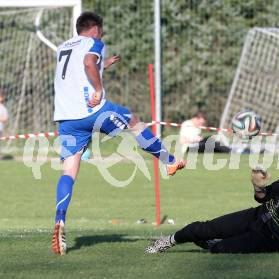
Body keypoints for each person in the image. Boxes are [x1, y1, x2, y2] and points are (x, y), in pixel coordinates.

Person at [51, 12, 185, 255]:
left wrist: (104, 65)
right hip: (92, 110)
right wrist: (99, 88)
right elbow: (88, 64)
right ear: (94, 29)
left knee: (69, 170)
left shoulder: (63, 47)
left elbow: (77, 71)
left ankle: (59, 219)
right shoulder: (94, 43)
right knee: (134, 122)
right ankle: (169, 161)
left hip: (66, 118)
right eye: (101, 30)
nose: (102, 35)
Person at [146, 143, 279, 254]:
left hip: (275, 240)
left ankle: (212, 243)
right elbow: (263, 197)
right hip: (257, 216)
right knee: (206, 227)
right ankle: (168, 241)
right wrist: (258, 186)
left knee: (220, 249)